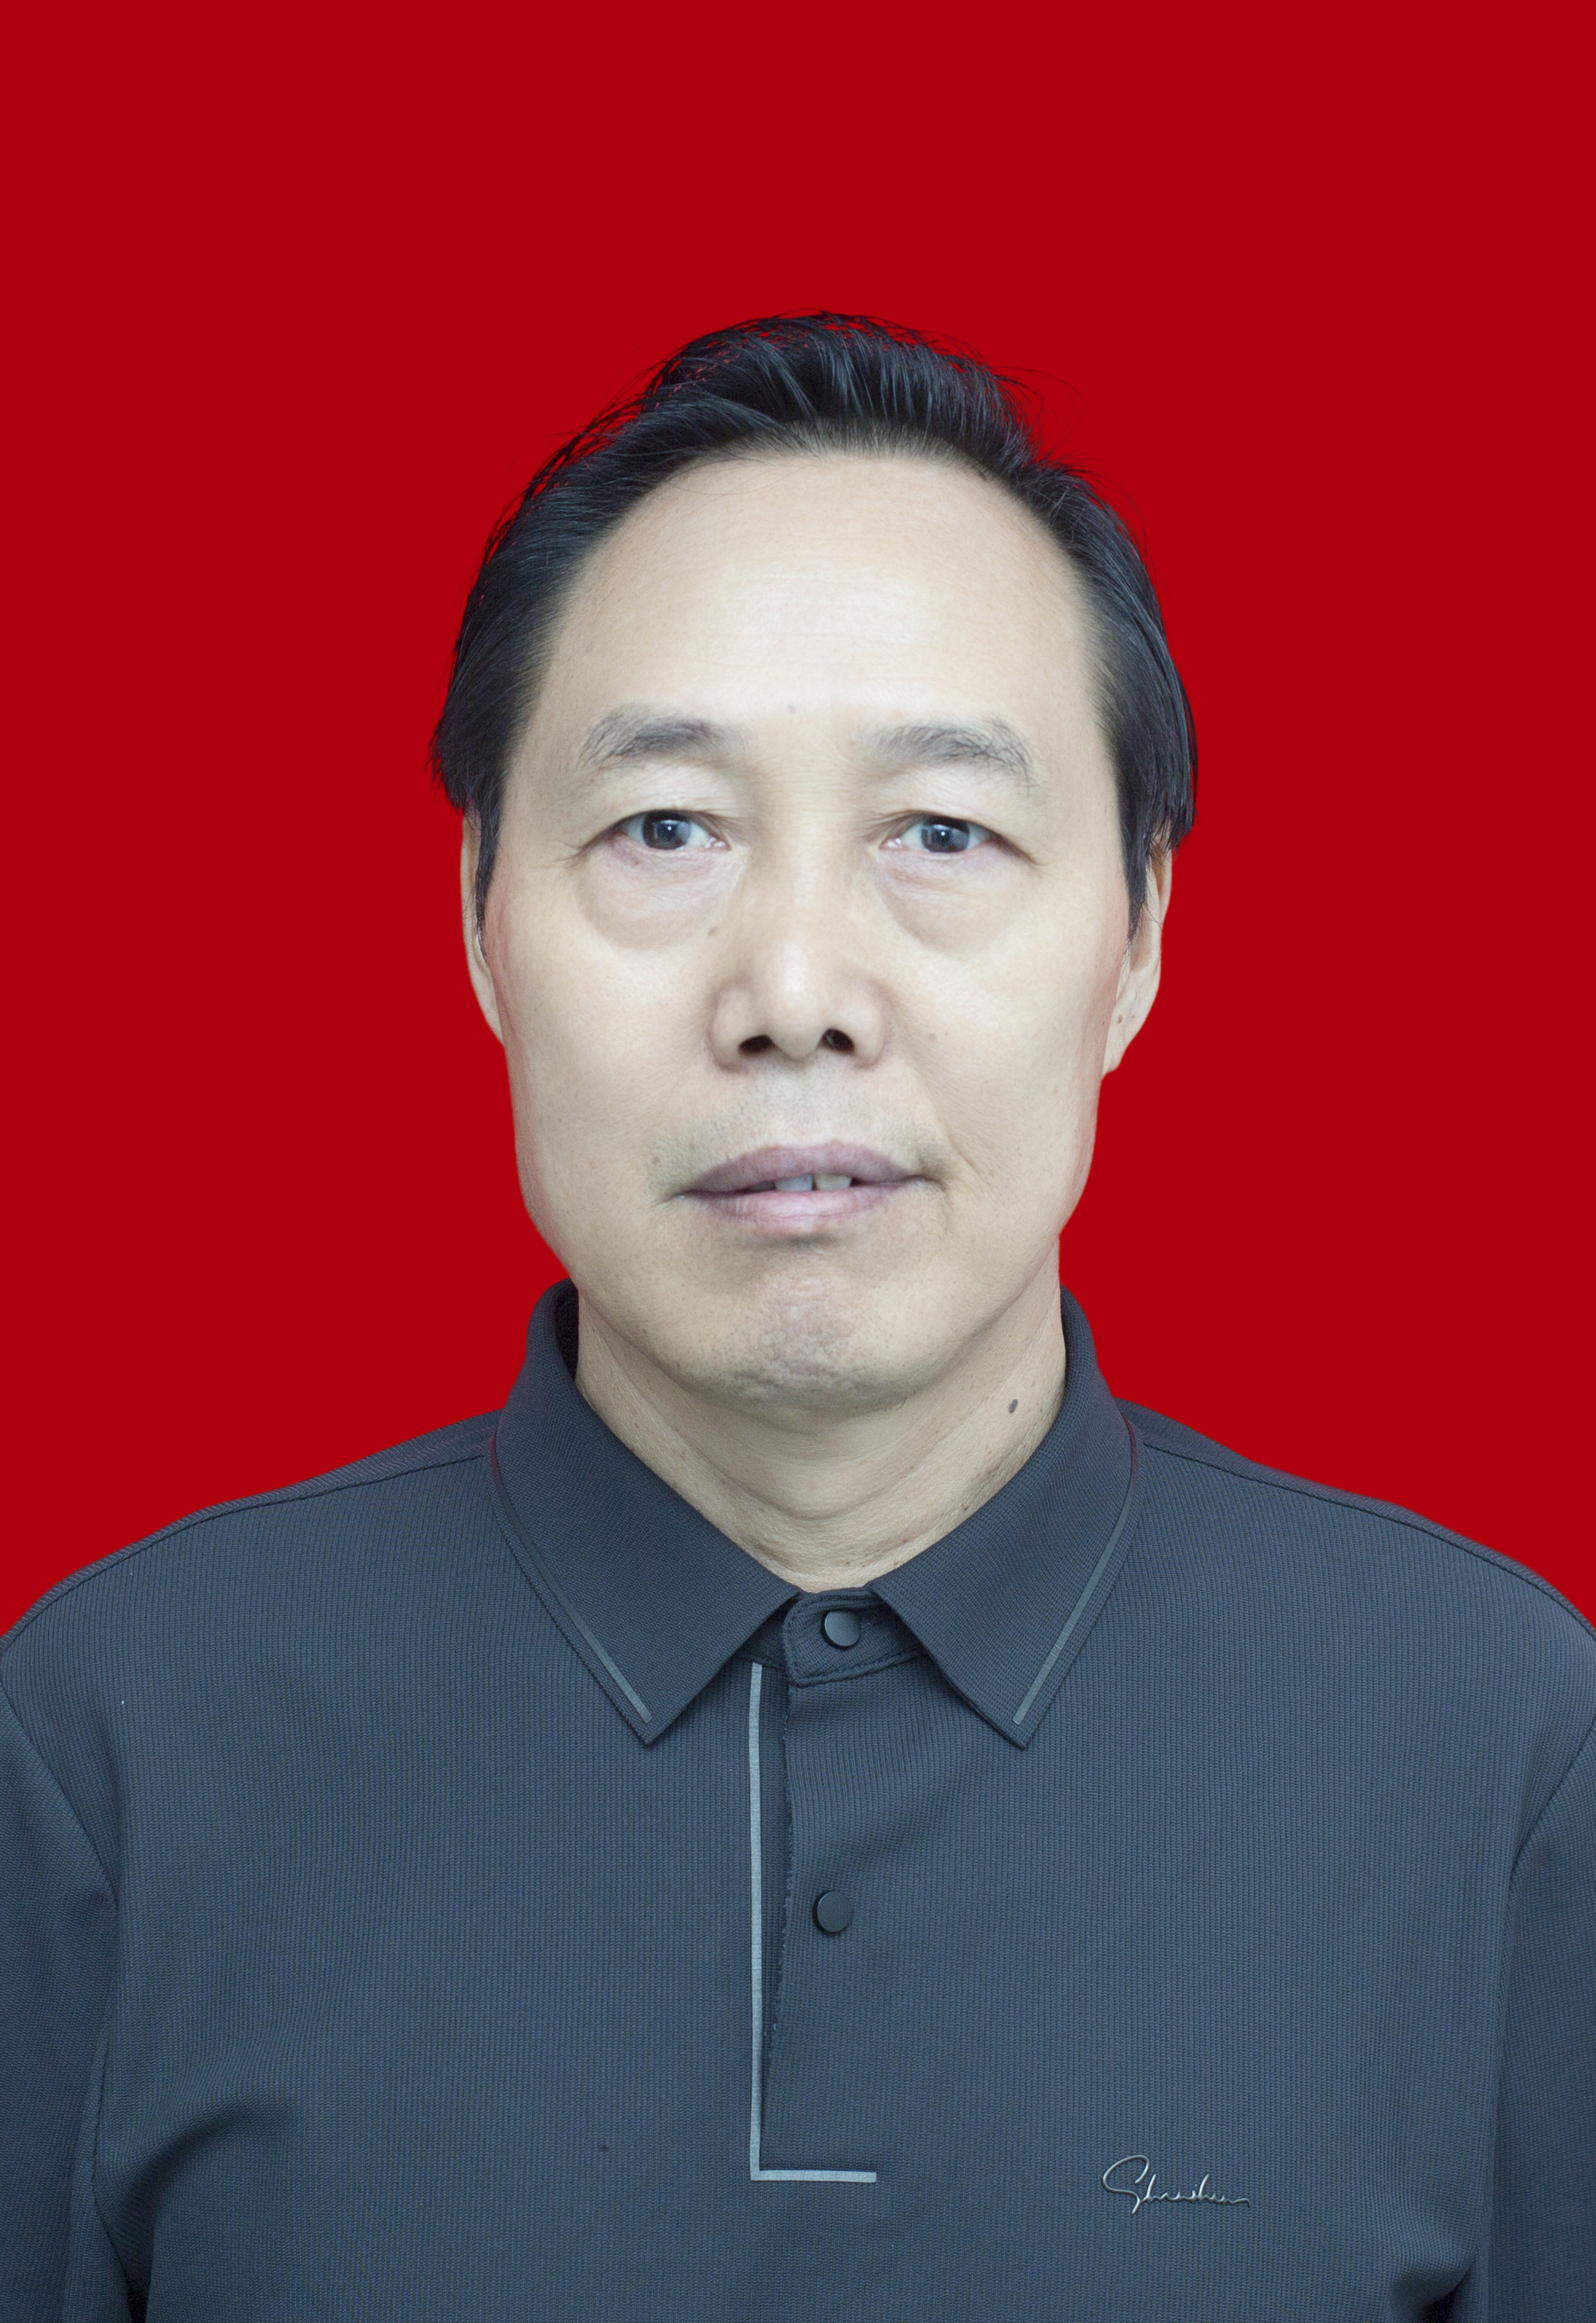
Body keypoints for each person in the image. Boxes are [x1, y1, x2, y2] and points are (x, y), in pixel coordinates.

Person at [2, 315, 1590, 2323]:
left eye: (943, 833)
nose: (798, 992)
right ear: (483, 920)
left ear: (1137, 937)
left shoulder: (1499, 1745)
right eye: (666, 828)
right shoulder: (109, 1748)